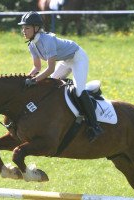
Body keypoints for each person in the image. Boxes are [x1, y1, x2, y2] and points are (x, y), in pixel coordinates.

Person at [18, 11, 103, 142]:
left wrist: (34, 80)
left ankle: (95, 126)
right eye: (23, 28)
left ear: (36, 28)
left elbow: (50, 68)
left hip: (78, 58)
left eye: (27, 28)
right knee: (50, 85)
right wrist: (27, 78)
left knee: (79, 91)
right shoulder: (32, 44)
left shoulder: (47, 41)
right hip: (65, 60)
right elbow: (37, 67)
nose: (24, 31)